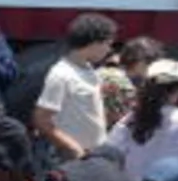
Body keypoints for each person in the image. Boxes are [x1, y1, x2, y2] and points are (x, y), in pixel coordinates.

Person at [35, 14, 118, 164]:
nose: (109, 49)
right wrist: (73, 148)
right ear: (94, 43)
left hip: (94, 153)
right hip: (71, 158)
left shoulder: (88, 68)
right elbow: (42, 119)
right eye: (107, 44)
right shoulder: (61, 74)